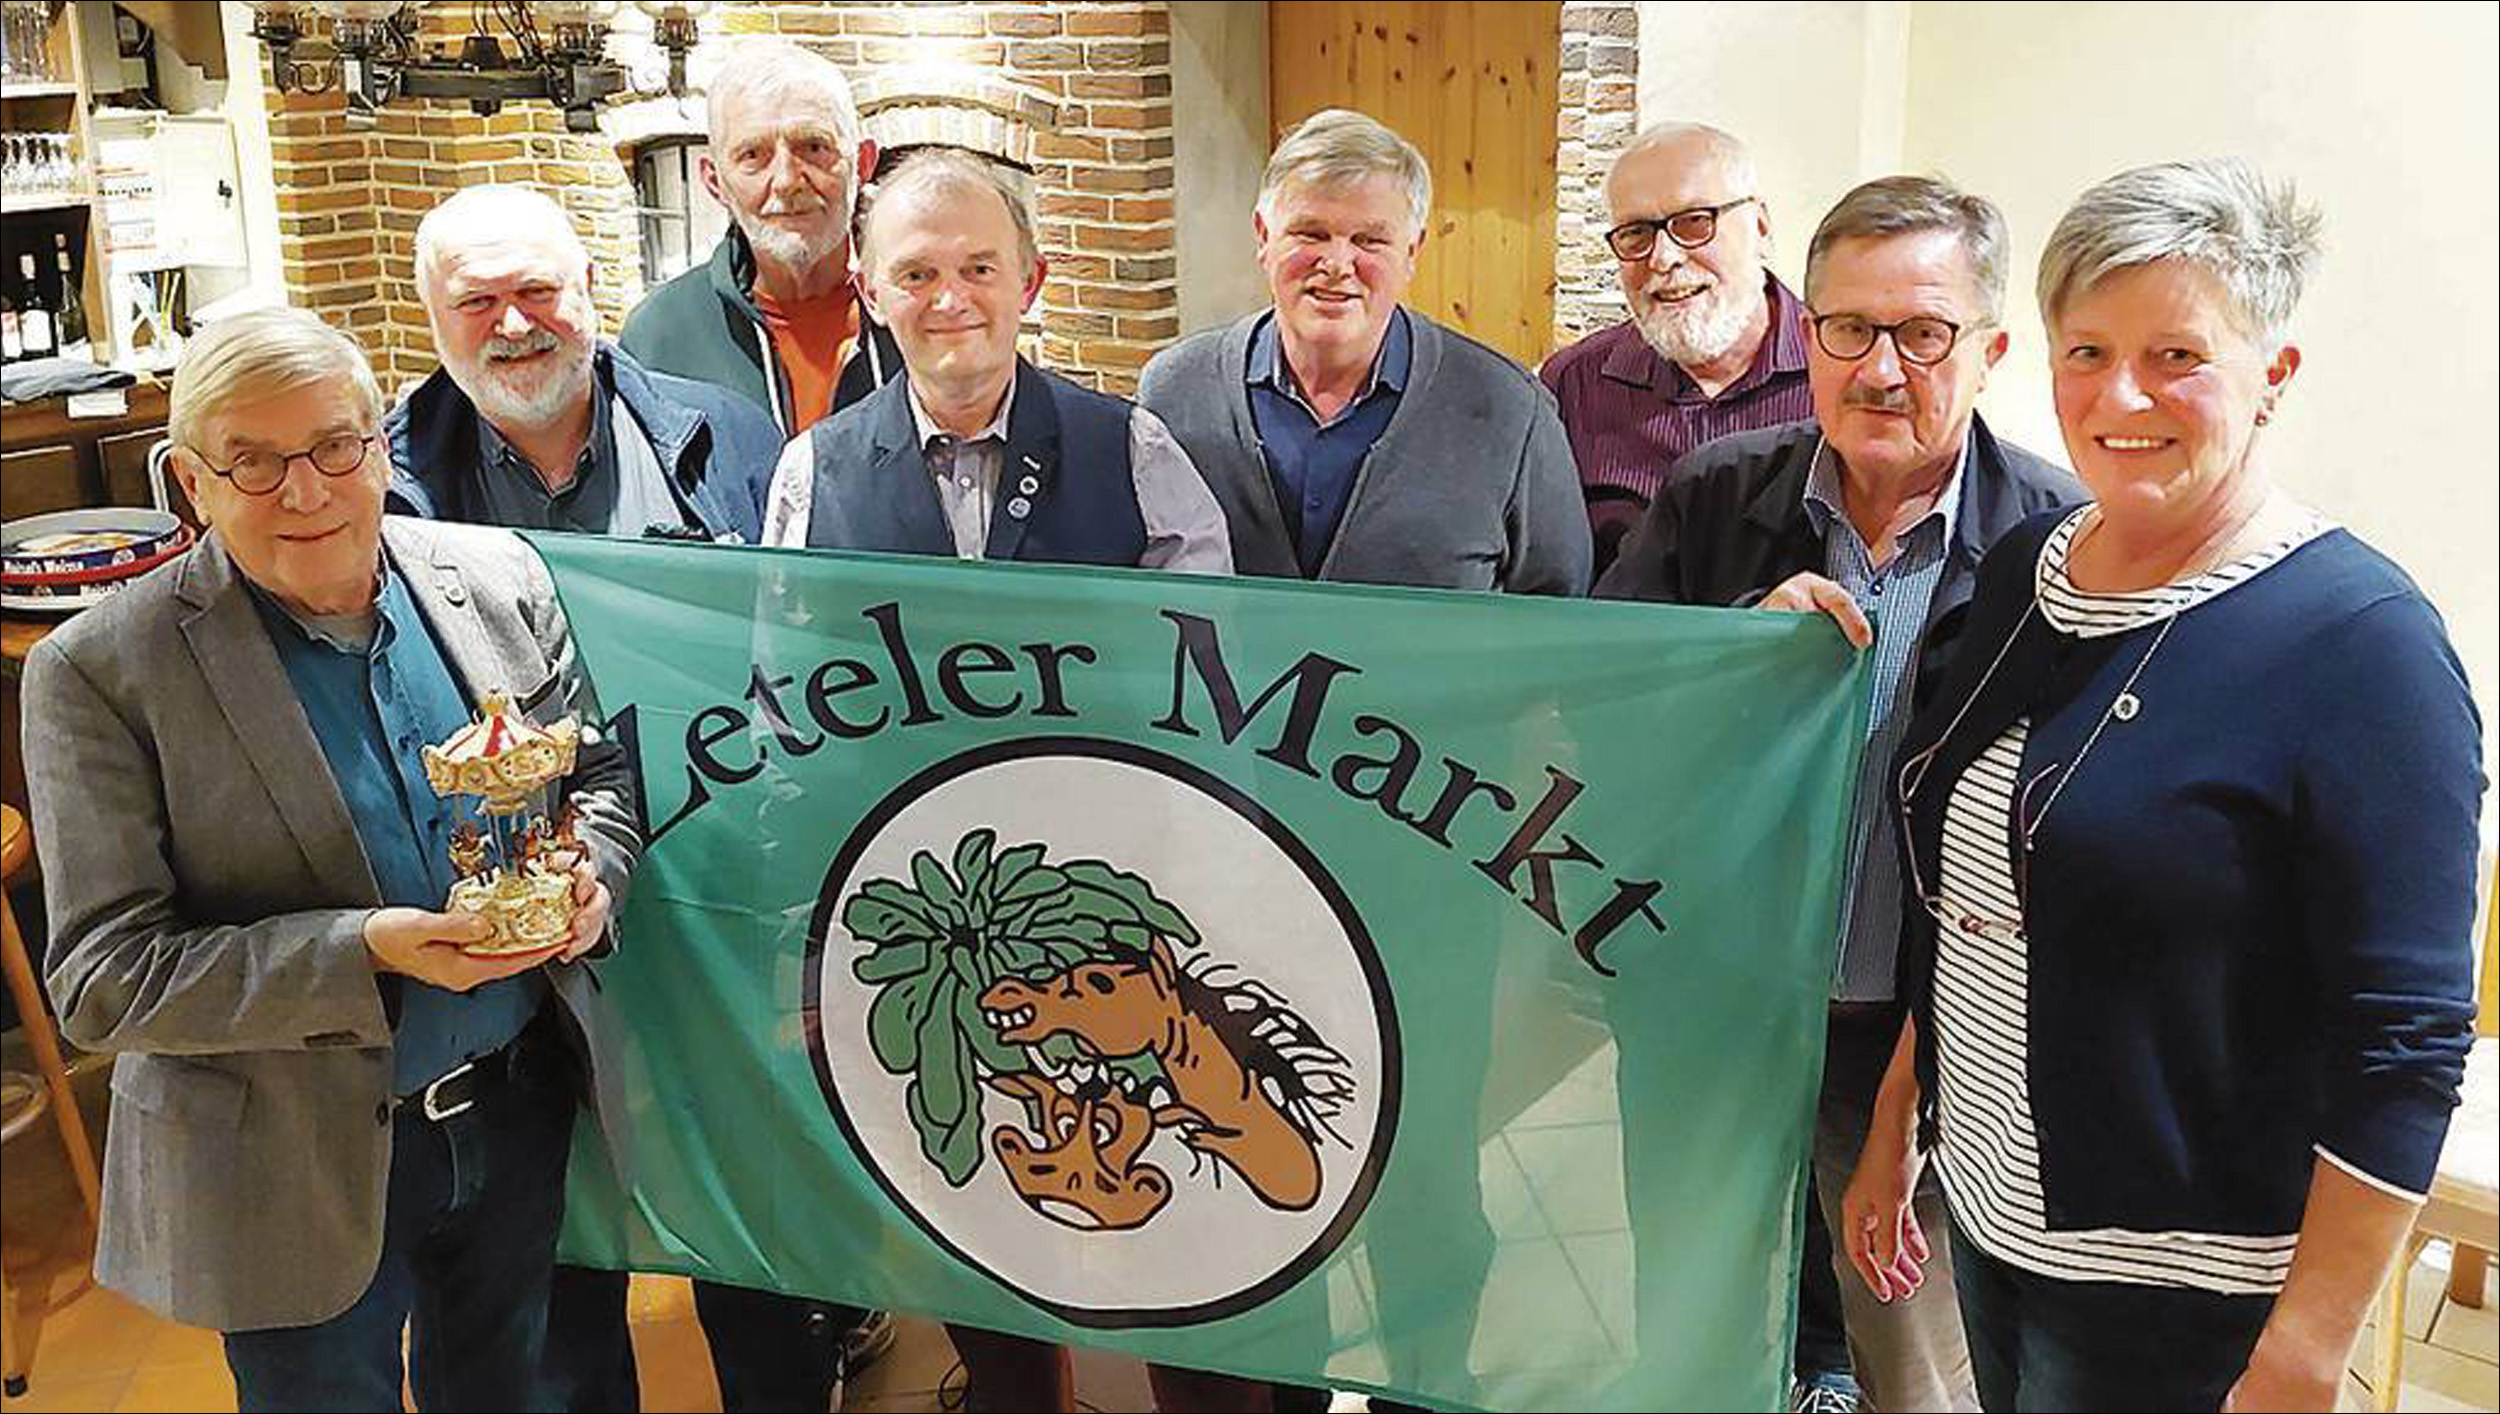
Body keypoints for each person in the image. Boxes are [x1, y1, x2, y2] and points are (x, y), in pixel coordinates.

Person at [1842, 158, 2484, 1412]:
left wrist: (2309, 1345)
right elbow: (1972, 897)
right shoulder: (2029, 569)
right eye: (2086, 352)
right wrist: (1896, 1124)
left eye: (2175, 355)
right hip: (1988, 1217)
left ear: (2272, 375)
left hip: (2183, 1287)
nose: (2120, 395)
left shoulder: (2361, 643)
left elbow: (2402, 1040)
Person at [21, 306, 636, 1412]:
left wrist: (590, 876)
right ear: (191, 482)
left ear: (380, 447)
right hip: (285, 1162)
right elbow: (104, 978)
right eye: (252, 463)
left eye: (332, 447)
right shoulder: (100, 673)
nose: (303, 492)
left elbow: (594, 774)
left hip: (515, 1110)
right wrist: (368, 953)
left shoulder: (497, 577)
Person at [1599, 176, 2084, 1412]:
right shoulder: (1715, 495)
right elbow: (1603, 703)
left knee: (1910, 1365)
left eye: (1921, 334)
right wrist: (1735, 652)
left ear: (1989, 350)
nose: (1878, 369)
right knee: (1687, 1328)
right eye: (1849, 329)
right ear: (1804, 333)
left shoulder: (2057, 545)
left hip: (1919, 1039)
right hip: (1713, 1015)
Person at [765, 144, 1230, 1411]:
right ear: (869, 291)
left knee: (1181, 1212)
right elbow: (784, 708)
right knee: (979, 1208)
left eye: (978, 267)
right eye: (916, 272)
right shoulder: (814, 472)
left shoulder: (1132, 448)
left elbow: (1211, 682)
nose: (949, 297)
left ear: (1033, 280)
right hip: (924, 922)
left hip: (1125, 911)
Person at [394, 182, 865, 1414]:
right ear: (429, 317)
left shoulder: (728, 439)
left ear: (591, 291)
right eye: (476, 301)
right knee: (554, 1247)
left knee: (754, 1230)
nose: (513, 324)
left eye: (536, 290)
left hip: (721, 899)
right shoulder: (390, 483)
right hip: (517, 937)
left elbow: (810, 648)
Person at [1138, 107, 1589, 596]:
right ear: (1264, 237)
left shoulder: (1512, 410)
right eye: (1310, 233)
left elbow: (1558, 610)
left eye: (1369, 240)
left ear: (1411, 253)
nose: (1337, 264)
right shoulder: (1175, 392)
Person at [1539, 121, 1814, 580]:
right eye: (1636, 233)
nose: (1663, 258)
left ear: (1760, 225)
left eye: (1694, 222)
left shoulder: (1841, 375)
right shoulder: (1573, 385)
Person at [619, 36, 900, 436]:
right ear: (714, 181)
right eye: (752, 155)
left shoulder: (919, 312)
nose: (787, 181)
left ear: (863, 163)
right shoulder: (660, 337)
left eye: (814, 146)